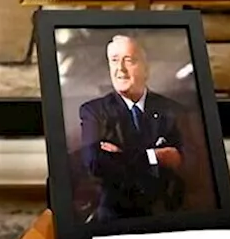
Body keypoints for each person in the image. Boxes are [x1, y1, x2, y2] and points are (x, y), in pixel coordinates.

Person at [79, 35, 185, 222]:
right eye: (114, 61)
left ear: (146, 68)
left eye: (129, 60)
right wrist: (155, 156)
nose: (120, 69)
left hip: (165, 215)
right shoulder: (93, 112)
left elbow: (185, 163)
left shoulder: (172, 110)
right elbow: (95, 164)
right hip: (113, 219)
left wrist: (121, 155)